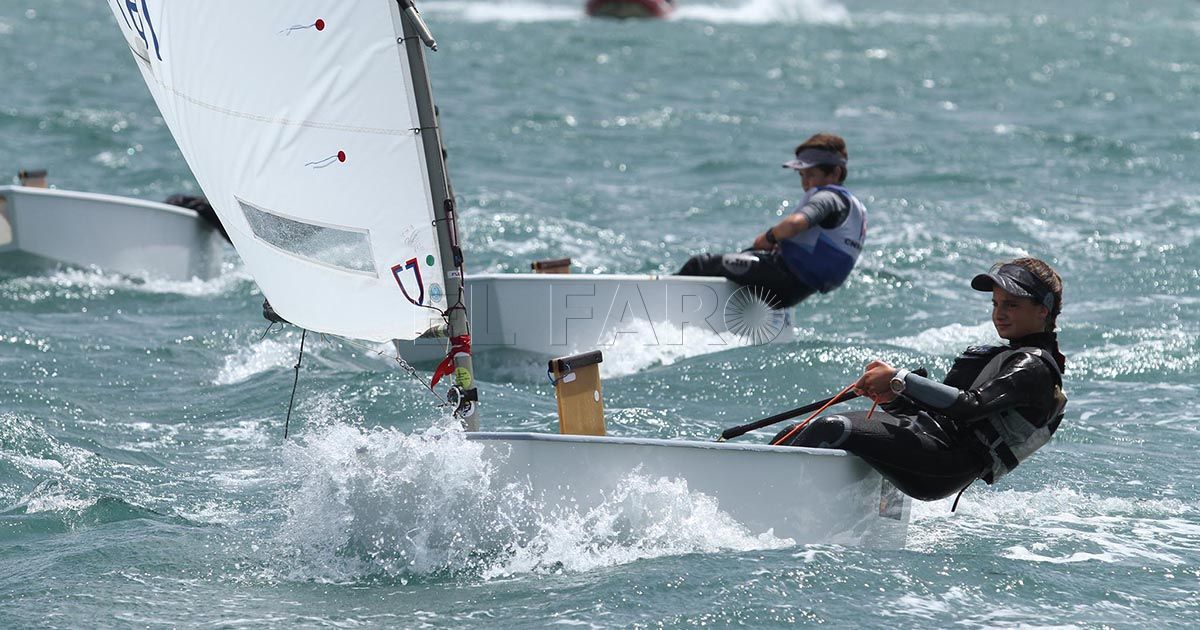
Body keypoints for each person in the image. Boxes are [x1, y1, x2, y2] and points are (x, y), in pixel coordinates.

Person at [773, 258, 1067, 502]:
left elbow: (970, 407)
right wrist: (892, 398)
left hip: (944, 465)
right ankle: (768, 497)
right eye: (996, 304)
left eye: (1011, 305)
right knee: (794, 432)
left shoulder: (1033, 367)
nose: (999, 314)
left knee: (831, 428)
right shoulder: (1008, 357)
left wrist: (900, 379)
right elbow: (938, 418)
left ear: (1043, 310)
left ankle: (770, 503)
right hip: (930, 444)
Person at [677, 132, 867, 308]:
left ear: (835, 173)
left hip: (782, 278)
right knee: (740, 266)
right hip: (798, 291)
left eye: (811, 174)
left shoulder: (827, 198)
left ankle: (665, 308)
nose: (805, 182)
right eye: (802, 175)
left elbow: (795, 224)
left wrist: (769, 237)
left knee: (701, 264)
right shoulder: (852, 207)